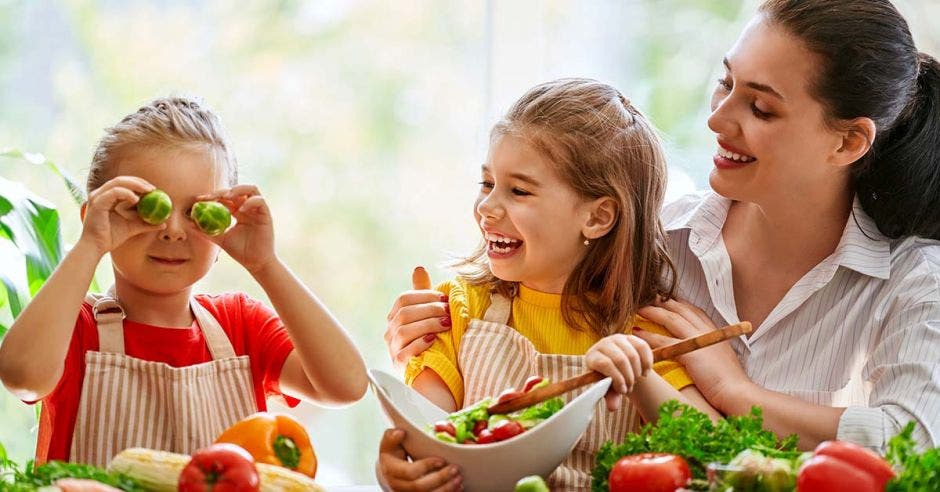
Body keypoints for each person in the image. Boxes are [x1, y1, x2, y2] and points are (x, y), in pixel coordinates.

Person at [388, 0, 940, 454]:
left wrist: (737, 393)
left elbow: (916, 446)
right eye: (725, 84)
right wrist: (421, 338)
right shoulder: (649, 241)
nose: (718, 120)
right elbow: (511, 289)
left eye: (761, 109)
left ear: (847, 141)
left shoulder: (916, 282)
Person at [378, 78, 720, 491]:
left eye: (518, 190)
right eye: (487, 183)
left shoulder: (645, 331)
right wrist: (397, 470)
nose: (486, 207)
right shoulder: (461, 309)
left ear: (597, 218)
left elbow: (715, 457)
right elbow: (427, 439)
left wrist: (641, 377)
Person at [0, 97, 368, 465]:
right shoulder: (76, 327)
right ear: (98, 215)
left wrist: (265, 263)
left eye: (196, 212)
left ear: (224, 221)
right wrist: (90, 244)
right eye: (146, 208)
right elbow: (22, 375)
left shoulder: (241, 326)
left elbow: (346, 385)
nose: (173, 231)